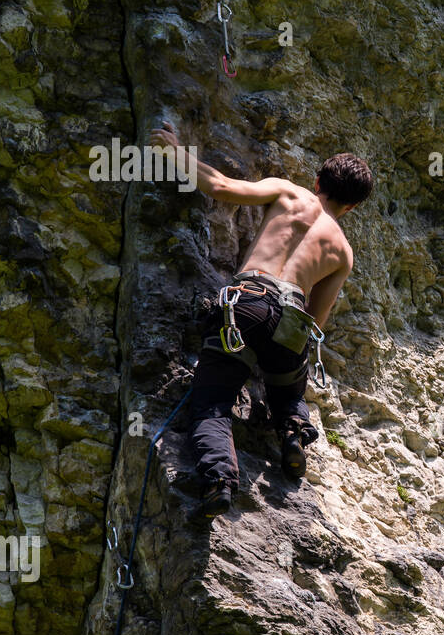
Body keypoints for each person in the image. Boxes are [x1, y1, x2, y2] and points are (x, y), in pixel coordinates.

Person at [149, 121, 372, 520]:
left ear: (317, 178)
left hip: (247, 303)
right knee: (287, 390)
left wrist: (174, 150)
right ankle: (292, 431)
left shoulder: (290, 193)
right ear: (353, 207)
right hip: (290, 324)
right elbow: (314, 320)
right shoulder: (343, 252)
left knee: (213, 402)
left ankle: (219, 482)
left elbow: (219, 186)